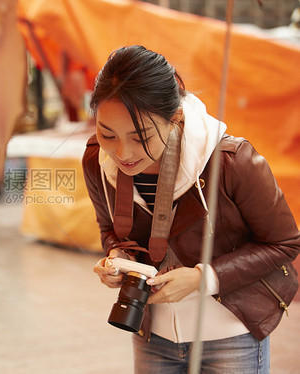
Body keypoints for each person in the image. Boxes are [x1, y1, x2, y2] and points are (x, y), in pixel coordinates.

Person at [82, 45, 300, 373]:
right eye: (108, 134)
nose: (122, 152)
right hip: (150, 334)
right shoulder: (97, 161)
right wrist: (119, 260)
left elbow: (285, 242)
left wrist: (204, 278)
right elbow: (110, 230)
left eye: (140, 136)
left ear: (175, 118)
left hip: (230, 335)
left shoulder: (230, 161)